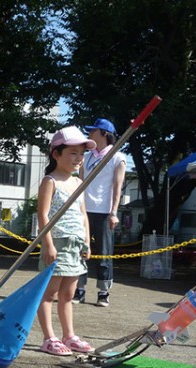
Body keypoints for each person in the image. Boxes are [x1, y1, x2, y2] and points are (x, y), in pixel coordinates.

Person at [36, 126, 95, 356]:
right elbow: (43, 215)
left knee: (68, 295)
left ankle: (69, 335)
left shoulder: (78, 183)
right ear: (56, 154)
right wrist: (48, 244)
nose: (78, 158)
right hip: (57, 242)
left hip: (75, 244)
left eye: (81, 154)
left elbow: (83, 214)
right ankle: (48, 337)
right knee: (49, 293)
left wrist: (87, 241)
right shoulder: (49, 181)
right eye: (73, 153)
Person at [74, 118, 126, 307]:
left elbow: (117, 187)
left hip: (104, 212)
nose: (89, 134)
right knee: (81, 250)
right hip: (84, 210)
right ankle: (79, 289)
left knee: (104, 254)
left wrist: (114, 212)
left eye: (93, 131)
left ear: (104, 134)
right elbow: (79, 183)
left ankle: (103, 292)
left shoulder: (117, 157)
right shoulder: (86, 157)